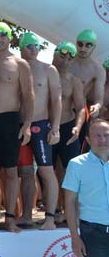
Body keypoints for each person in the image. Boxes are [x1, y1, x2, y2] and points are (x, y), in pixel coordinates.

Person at [0, 22, 34, 232]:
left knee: (11, 172)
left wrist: (27, 124)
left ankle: (10, 217)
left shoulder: (19, 63)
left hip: (10, 120)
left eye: (3, 35)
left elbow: (28, 95)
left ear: (9, 38)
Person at [16, 32, 61, 230]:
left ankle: (50, 217)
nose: (33, 50)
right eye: (29, 46)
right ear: (21, 48)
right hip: (20, 127)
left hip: (41, 126)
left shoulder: (48, 69)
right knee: (25, 172)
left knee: (46, 171)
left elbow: (56, 100)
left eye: (36, 46)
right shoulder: (15, 68)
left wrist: (56, 127)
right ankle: (26, 215)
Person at [63, 118, 109, 257]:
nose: (102, 139)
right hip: (93, 234)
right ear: (88, 140)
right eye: (97, 135)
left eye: (106, 135)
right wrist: (75, 237)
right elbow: (69, 202)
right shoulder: (76, 165)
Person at [51, 41, 86, 221]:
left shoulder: (73, 81)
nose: (65, 60)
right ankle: (53, 211)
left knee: (72, 172)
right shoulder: (42, 74)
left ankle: (71, 212)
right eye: (62, 55)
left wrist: (77, 128)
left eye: (70, 57)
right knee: (46, 172)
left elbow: (81, 108)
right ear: (54, 54)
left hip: (67, 128)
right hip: (46, 127)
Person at [70, 29, 106, 145]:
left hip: (78, 113)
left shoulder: (97, 69)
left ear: (93, 47)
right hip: (57, 111)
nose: (83, 48)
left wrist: (96, 106)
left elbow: (99, 99)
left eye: (88, 45)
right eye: (80, 44)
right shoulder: (66, 62)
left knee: (74, 150)